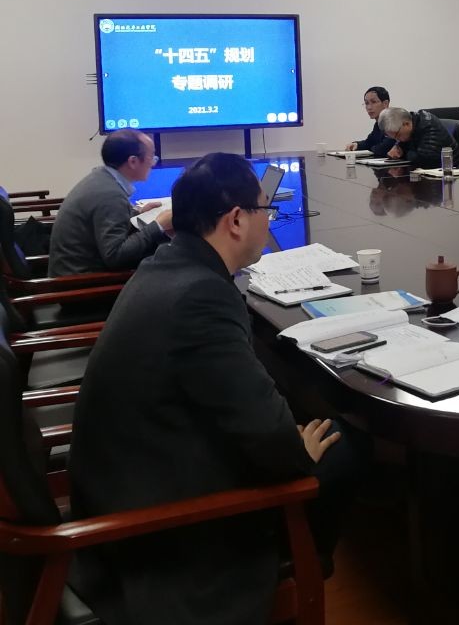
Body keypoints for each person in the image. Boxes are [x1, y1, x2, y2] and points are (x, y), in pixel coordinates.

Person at [69, 152, 361, 625]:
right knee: (342, 445)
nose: (270, 220)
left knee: (298, 415)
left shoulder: (167, 263)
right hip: (159, 535)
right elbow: (273, 441)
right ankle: (294, 565)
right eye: (266, 210)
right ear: (237, 220)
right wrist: (294, 449)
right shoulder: (201, 296)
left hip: (124, 478)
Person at [48, 130, 173, 276]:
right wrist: (158, 225)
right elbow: (115, 256)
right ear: (133, 161)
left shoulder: (101, 179)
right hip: (81, 282)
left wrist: (136, 213)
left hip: (75, 269)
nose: (153, 163)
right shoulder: (110, 195)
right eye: (151, 157)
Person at [378, 107, 459, 168]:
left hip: (453, 174)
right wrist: (399, 148)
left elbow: (425, 161)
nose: (397, 140)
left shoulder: (428, 125)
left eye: (398, 135)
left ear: (406, 124)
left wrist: (403, 151)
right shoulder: (411, 123)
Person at [345, 85, 394, 156]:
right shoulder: (378, 124)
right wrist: (357, 145)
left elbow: (383, 148)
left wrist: (372, 148)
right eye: (367, 103)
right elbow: (369, 142)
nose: (369, 107)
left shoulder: (393, 122)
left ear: (385, 104)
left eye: (373, 102)